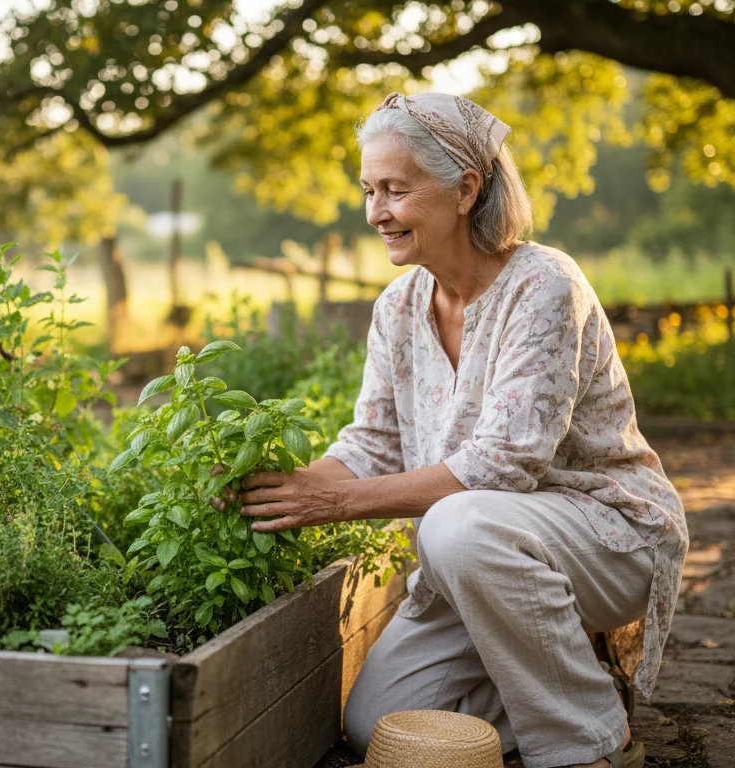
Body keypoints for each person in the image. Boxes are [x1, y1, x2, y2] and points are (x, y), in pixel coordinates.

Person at [237, 92, 688, 768]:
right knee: (381, 724)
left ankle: (586, 737)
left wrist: (333, 505)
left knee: (455, 524)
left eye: (394, 189)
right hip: (481, 553)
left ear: (465, 190)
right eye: (368, 190)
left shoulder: (543, 285)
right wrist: (284, 487)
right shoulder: (398, 306)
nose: (375, 212)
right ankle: (562, 676)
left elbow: (504, 465)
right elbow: (372, 443)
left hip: (608, 537)